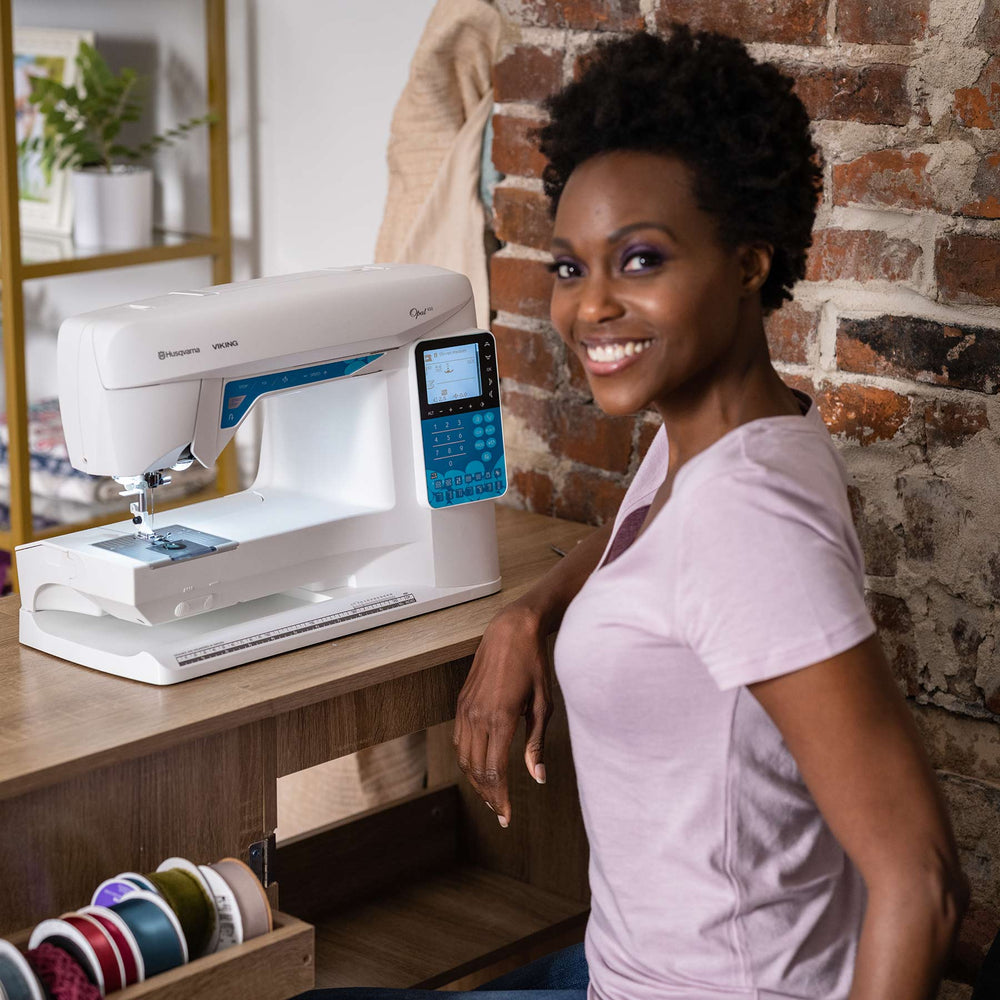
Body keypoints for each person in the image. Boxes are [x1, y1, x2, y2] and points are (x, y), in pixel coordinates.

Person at [301, 25, 967, 1000]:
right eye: (571, 267)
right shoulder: (732, 428)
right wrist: (529, 613)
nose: (588, 308)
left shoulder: (749, 523)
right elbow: (649, 528)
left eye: (640, 260)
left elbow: (922, 883)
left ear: (749, 262)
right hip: (617, 966)